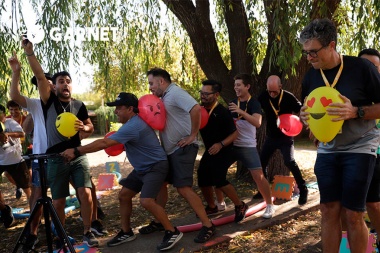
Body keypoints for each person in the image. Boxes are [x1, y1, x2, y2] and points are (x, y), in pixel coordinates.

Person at [61, 92, 183, 251]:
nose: (115, 111)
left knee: (146, 201)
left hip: (155, 166)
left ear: (131, 109)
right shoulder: (130, 124)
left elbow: (104, 143)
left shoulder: (134, 125)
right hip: (142, 168)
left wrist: (77, 151)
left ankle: (172, 231)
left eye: (119, 108)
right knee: (124, 195)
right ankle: (126, 232)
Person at [299, 18, 380, 252]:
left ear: (331, 45)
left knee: (354, 213)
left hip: (360, 146)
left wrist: (356, 111)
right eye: (306, 53)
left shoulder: (361, 68)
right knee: (328, 209)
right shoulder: (310, 77)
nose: (309, 58)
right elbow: (310, 109)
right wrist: (306, 118)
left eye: (313, 52)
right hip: (327, 149)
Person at [22, 41, 99, 248]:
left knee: (85, 192)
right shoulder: (48, 102)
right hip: (56, 159)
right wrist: (30, 53)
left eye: (68, 81)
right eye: (61, 81)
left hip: (77, 155)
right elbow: (39, 76)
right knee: (58, 201)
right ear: (53, 86)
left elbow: (90, 126)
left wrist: (86, 128)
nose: (65, 84)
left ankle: (88, 231)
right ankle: (60, 236)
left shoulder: (79, 105)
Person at [145, 67, 215, 243]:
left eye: (151, 83)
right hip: (169, 150)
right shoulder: (165, 97)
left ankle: (208, 225)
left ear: (161, 81)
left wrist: (192, 135)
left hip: (183, 149)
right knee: (162, 183)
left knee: (183, 188)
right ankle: (158, 221)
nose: (150, 88)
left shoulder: (175, 92)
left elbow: (196, 109)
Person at [197, 80, 248, 222]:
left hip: (225, 149)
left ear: (216, 95)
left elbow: (235, 134)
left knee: (218, 178)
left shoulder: (223, 112)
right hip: (211, 150)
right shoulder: (199, 110)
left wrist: (220, 144)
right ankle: (212, 206)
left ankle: (240, 205)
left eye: (207, 94)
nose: (203, 96)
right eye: (202, 93)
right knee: (202, 176)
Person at [228, 73, 275, 219]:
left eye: (239, 85)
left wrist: (240, 111)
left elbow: (258, 122)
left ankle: (269, 205)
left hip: (247, 146)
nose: (236, 88)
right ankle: (219, 203)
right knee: (216, 171)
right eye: (235, 85)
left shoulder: (254, 103)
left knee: (258, 176)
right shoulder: (232, 102)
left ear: (247, 86)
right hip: (231, 145)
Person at [256, 75, 308, 205]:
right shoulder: (263, 96)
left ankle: (303, 189)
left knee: (289, 162)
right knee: (260, 163)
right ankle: (263, 189)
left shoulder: (288, 97)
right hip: (271, 137)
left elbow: (301, 110)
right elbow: (254, 108)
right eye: (270, 91)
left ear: (280, 87)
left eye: (275, 91)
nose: (272, 94)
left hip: (286, 137)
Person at [358, 48, 380, 249]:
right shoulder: (349, 93)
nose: (369, 70)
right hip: (354, 154)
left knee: (373, 203)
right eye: (365, 65)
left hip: (376, 155)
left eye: (374, 66)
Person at [0, 104, 31, 203]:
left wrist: (8, 134)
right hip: (1, 161)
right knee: (8, 176)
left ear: (4, 114)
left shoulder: (10, 123)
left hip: (15, 160)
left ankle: (35, 211)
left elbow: (22, 134)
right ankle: (4, 209)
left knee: (27, 188)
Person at [5, 100, 28, 199]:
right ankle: (19, 185)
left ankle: (30, 193)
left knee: (29, 173)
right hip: (13, 151)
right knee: (7, 174)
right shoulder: (6, 120)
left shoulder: (26, 119)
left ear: (20, 109)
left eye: (16, 109)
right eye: (11, 110)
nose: (13, 112)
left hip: (27, 148)